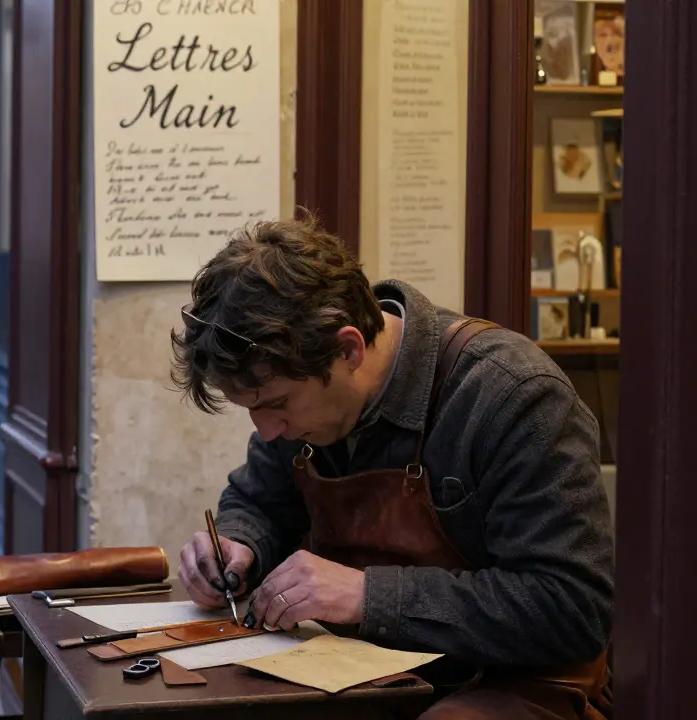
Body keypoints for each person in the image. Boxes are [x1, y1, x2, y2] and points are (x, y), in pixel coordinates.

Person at [171, 217, 614, 719]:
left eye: (276, 404)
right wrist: (237, 545)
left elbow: (571, 607)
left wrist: (368, 595)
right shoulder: (302, 404)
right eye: (250, 409)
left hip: (515, 681)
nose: (268, 431)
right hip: (370, 669)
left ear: (348, 349)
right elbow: (259, 501)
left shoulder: (513, 396)